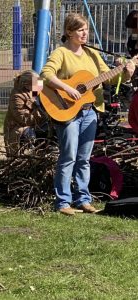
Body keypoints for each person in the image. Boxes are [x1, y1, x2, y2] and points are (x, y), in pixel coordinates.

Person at [40, 13, 135, 216]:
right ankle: (63, 202)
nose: (85, 33)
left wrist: (126, 71)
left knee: (84, 159)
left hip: (90, 111)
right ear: (69, 32)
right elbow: (46, 74)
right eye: (80, 30)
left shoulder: (92, 53)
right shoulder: (61, 53)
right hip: (67, 111)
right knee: (68, 158)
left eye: (86, 30)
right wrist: (69, 88)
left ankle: (83, 199)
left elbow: (108, 77)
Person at [3, 70, 47, 157]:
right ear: (26, 85)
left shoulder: (34, 89)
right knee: (30, 135)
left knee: (53, 129)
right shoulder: (16, 96)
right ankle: (26, 156)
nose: (39, 86)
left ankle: (45, 153)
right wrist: (41, 112)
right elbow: (24, 120)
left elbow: (37, 94)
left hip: (35, 123)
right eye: (36, 84)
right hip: (18, 129)